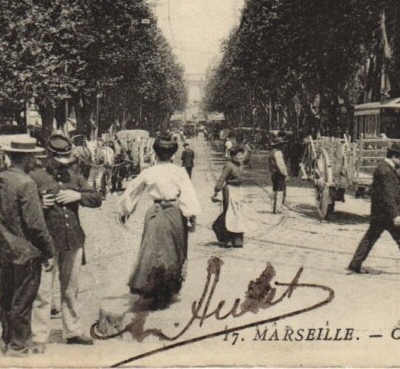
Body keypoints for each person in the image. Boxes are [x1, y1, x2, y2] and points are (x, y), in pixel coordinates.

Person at [0, 137, 55, 357]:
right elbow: (36, 225)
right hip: (27, 252)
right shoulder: (27, 183)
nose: (35, 161)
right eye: (33, 157)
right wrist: (49, 251)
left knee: (6, 298)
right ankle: (18, 346)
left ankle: (7, 341)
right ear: (26, 158)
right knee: (22, 301)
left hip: (5, 250)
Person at [29, 133, 101, 350]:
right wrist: (38, 203)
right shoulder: (35, 178)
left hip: (73, 241)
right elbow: (22, 206)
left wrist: (78, 196)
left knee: (71, 290)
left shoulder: (75, 177)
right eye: (58, 160)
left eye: (66, 160)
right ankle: (39, 337)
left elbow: (97, 198)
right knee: (43, 292)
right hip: (46, 243)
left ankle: (73, 331)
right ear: (48, 156)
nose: (63, 165)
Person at [119, 135, 201, 309]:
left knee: (152, 251)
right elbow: (188, 196)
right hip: (174, 215)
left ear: (155, 153)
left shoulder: (149, 172)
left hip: (155, 215)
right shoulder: (179, 172)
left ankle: (151, 287)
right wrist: (191, 217)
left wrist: (125, 210)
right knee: (173, 250)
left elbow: (132, 191)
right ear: (173, 154)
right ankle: (166, 290)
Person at [348, 143, 400, 275]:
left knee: (370, 238)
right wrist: (395, 215)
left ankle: (355, 264)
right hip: (387, 215)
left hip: (380, 213)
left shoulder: (384, 168)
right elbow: (387, 195)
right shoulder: (386, 171)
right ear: (394, 156)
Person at [213, 146, 246, 248]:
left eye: (241, 155)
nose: (240, 157)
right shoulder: (228, 166)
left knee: (238, 214)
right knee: (229, 213)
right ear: (232, 156)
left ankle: (238, 238)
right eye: (238, 155)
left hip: (239, 190)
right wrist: (217, 189)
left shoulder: (241, 164)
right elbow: (222, 178)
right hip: (230, 190)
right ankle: (228, 238)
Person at [268, 136, 289, 208]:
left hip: (273, 173)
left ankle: (273, 206)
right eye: (281, 144)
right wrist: (286, 174)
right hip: (279, 173)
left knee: (274, 188)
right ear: (278, 145)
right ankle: (278, 207)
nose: (283, 146)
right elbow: (281, 165)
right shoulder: (278, 153)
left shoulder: (271, 152)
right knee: (280, 190)